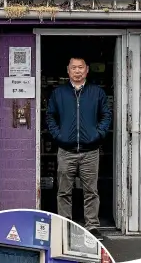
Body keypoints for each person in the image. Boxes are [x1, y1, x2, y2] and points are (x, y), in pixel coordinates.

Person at [46, 56, 112, 241]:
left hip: (90, 151)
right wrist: (59, 136)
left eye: (80, 67)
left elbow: (106, 115)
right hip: (66, 151)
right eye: (73, 67)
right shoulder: (59, 93)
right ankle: (66, 226)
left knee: (91, 191)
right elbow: (50, 116)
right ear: (68, 71)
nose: (77, 71)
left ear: (87, 70)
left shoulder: (96, 93)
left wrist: (97, 135)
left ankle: (92, 227)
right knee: (64, 191)